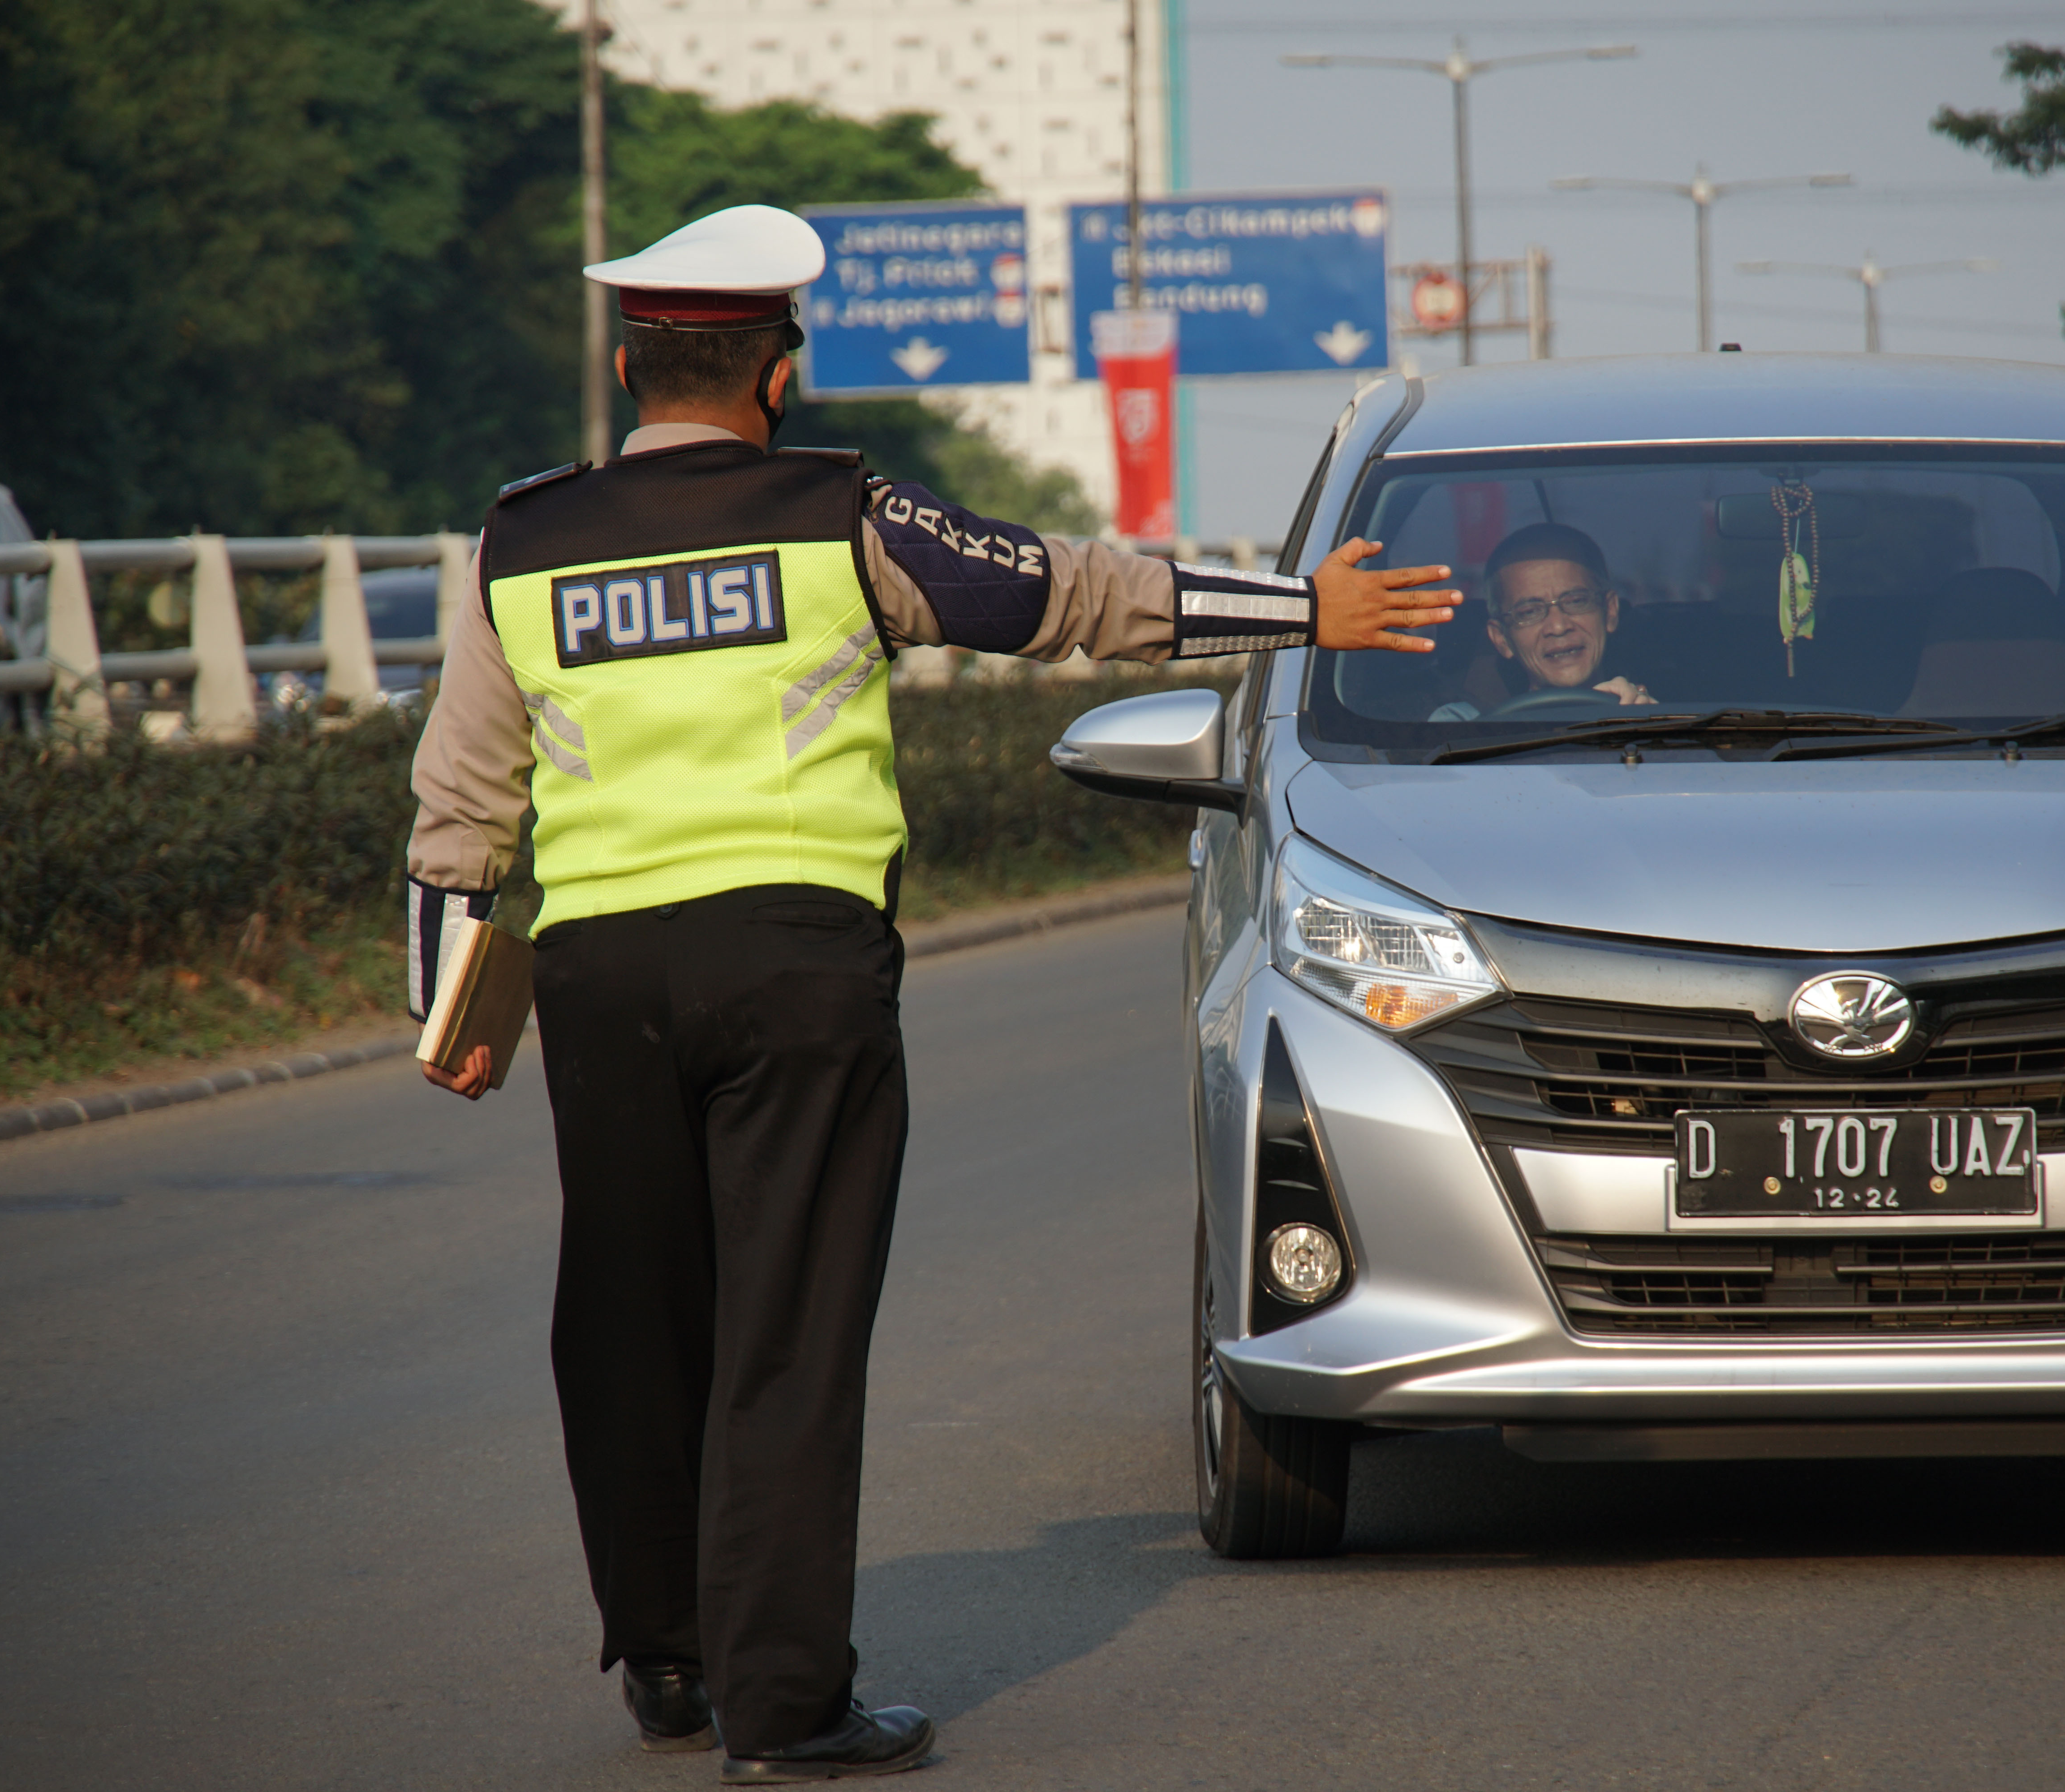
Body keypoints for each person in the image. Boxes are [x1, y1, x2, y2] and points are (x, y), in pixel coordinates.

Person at [402, 204, 1458, 1784]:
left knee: (626, 1320)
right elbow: (1066, 595)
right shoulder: (837, 515)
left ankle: (670, 1662)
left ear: (631, 369)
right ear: (779, 375)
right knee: (787, 1333)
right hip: (797, 965)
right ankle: (785, 1707)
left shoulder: (523, 537)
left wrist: (449, 1017)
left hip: (602, 980)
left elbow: (461, 803)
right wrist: (1306, 609)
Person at [1429, 521, 1650, 719]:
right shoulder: (1460, 726)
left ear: (1610, 611)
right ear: (1501, 639)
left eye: (1576, 601)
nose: (1558, 627)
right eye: (1529, 612)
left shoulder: (1656, 711)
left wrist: (1648, 726)